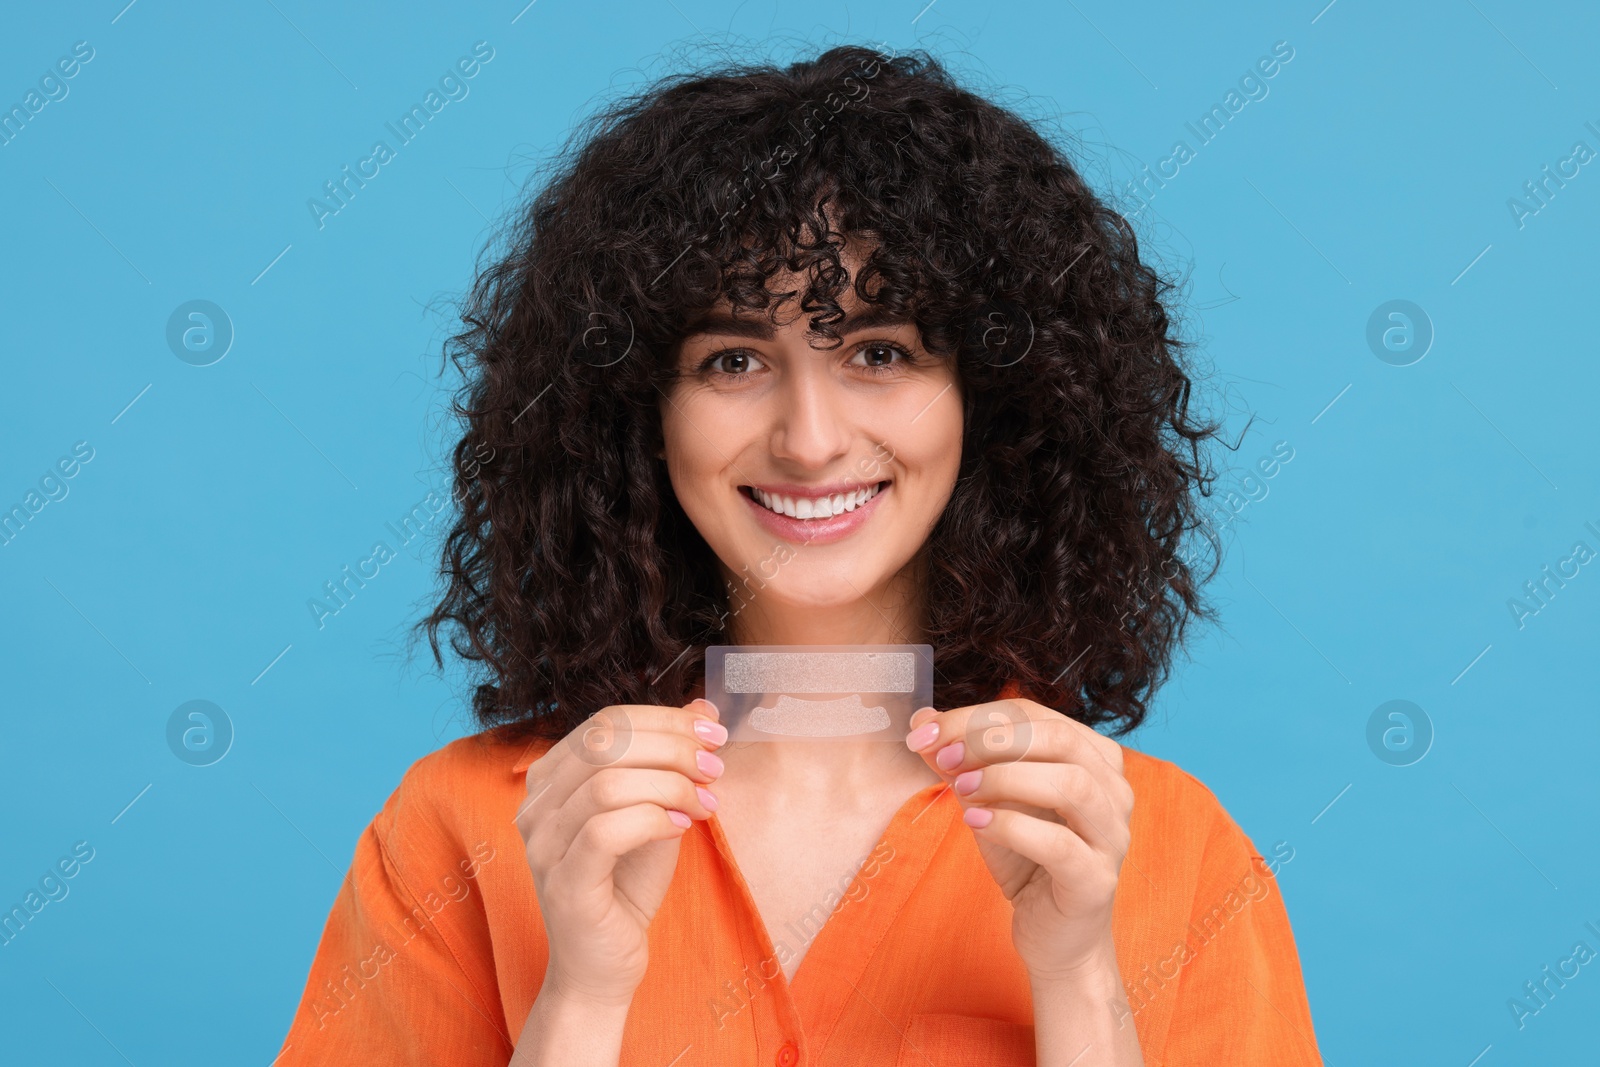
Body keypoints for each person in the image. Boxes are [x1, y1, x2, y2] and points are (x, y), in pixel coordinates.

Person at [275, 43, 1323, 1067]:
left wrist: (1080, 979)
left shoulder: (1169, 852)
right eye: (733, 358)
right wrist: (583, 994)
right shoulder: (459, 830)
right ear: (638, 412)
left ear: (993, 399)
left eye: (879, 352)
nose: (810, 438)